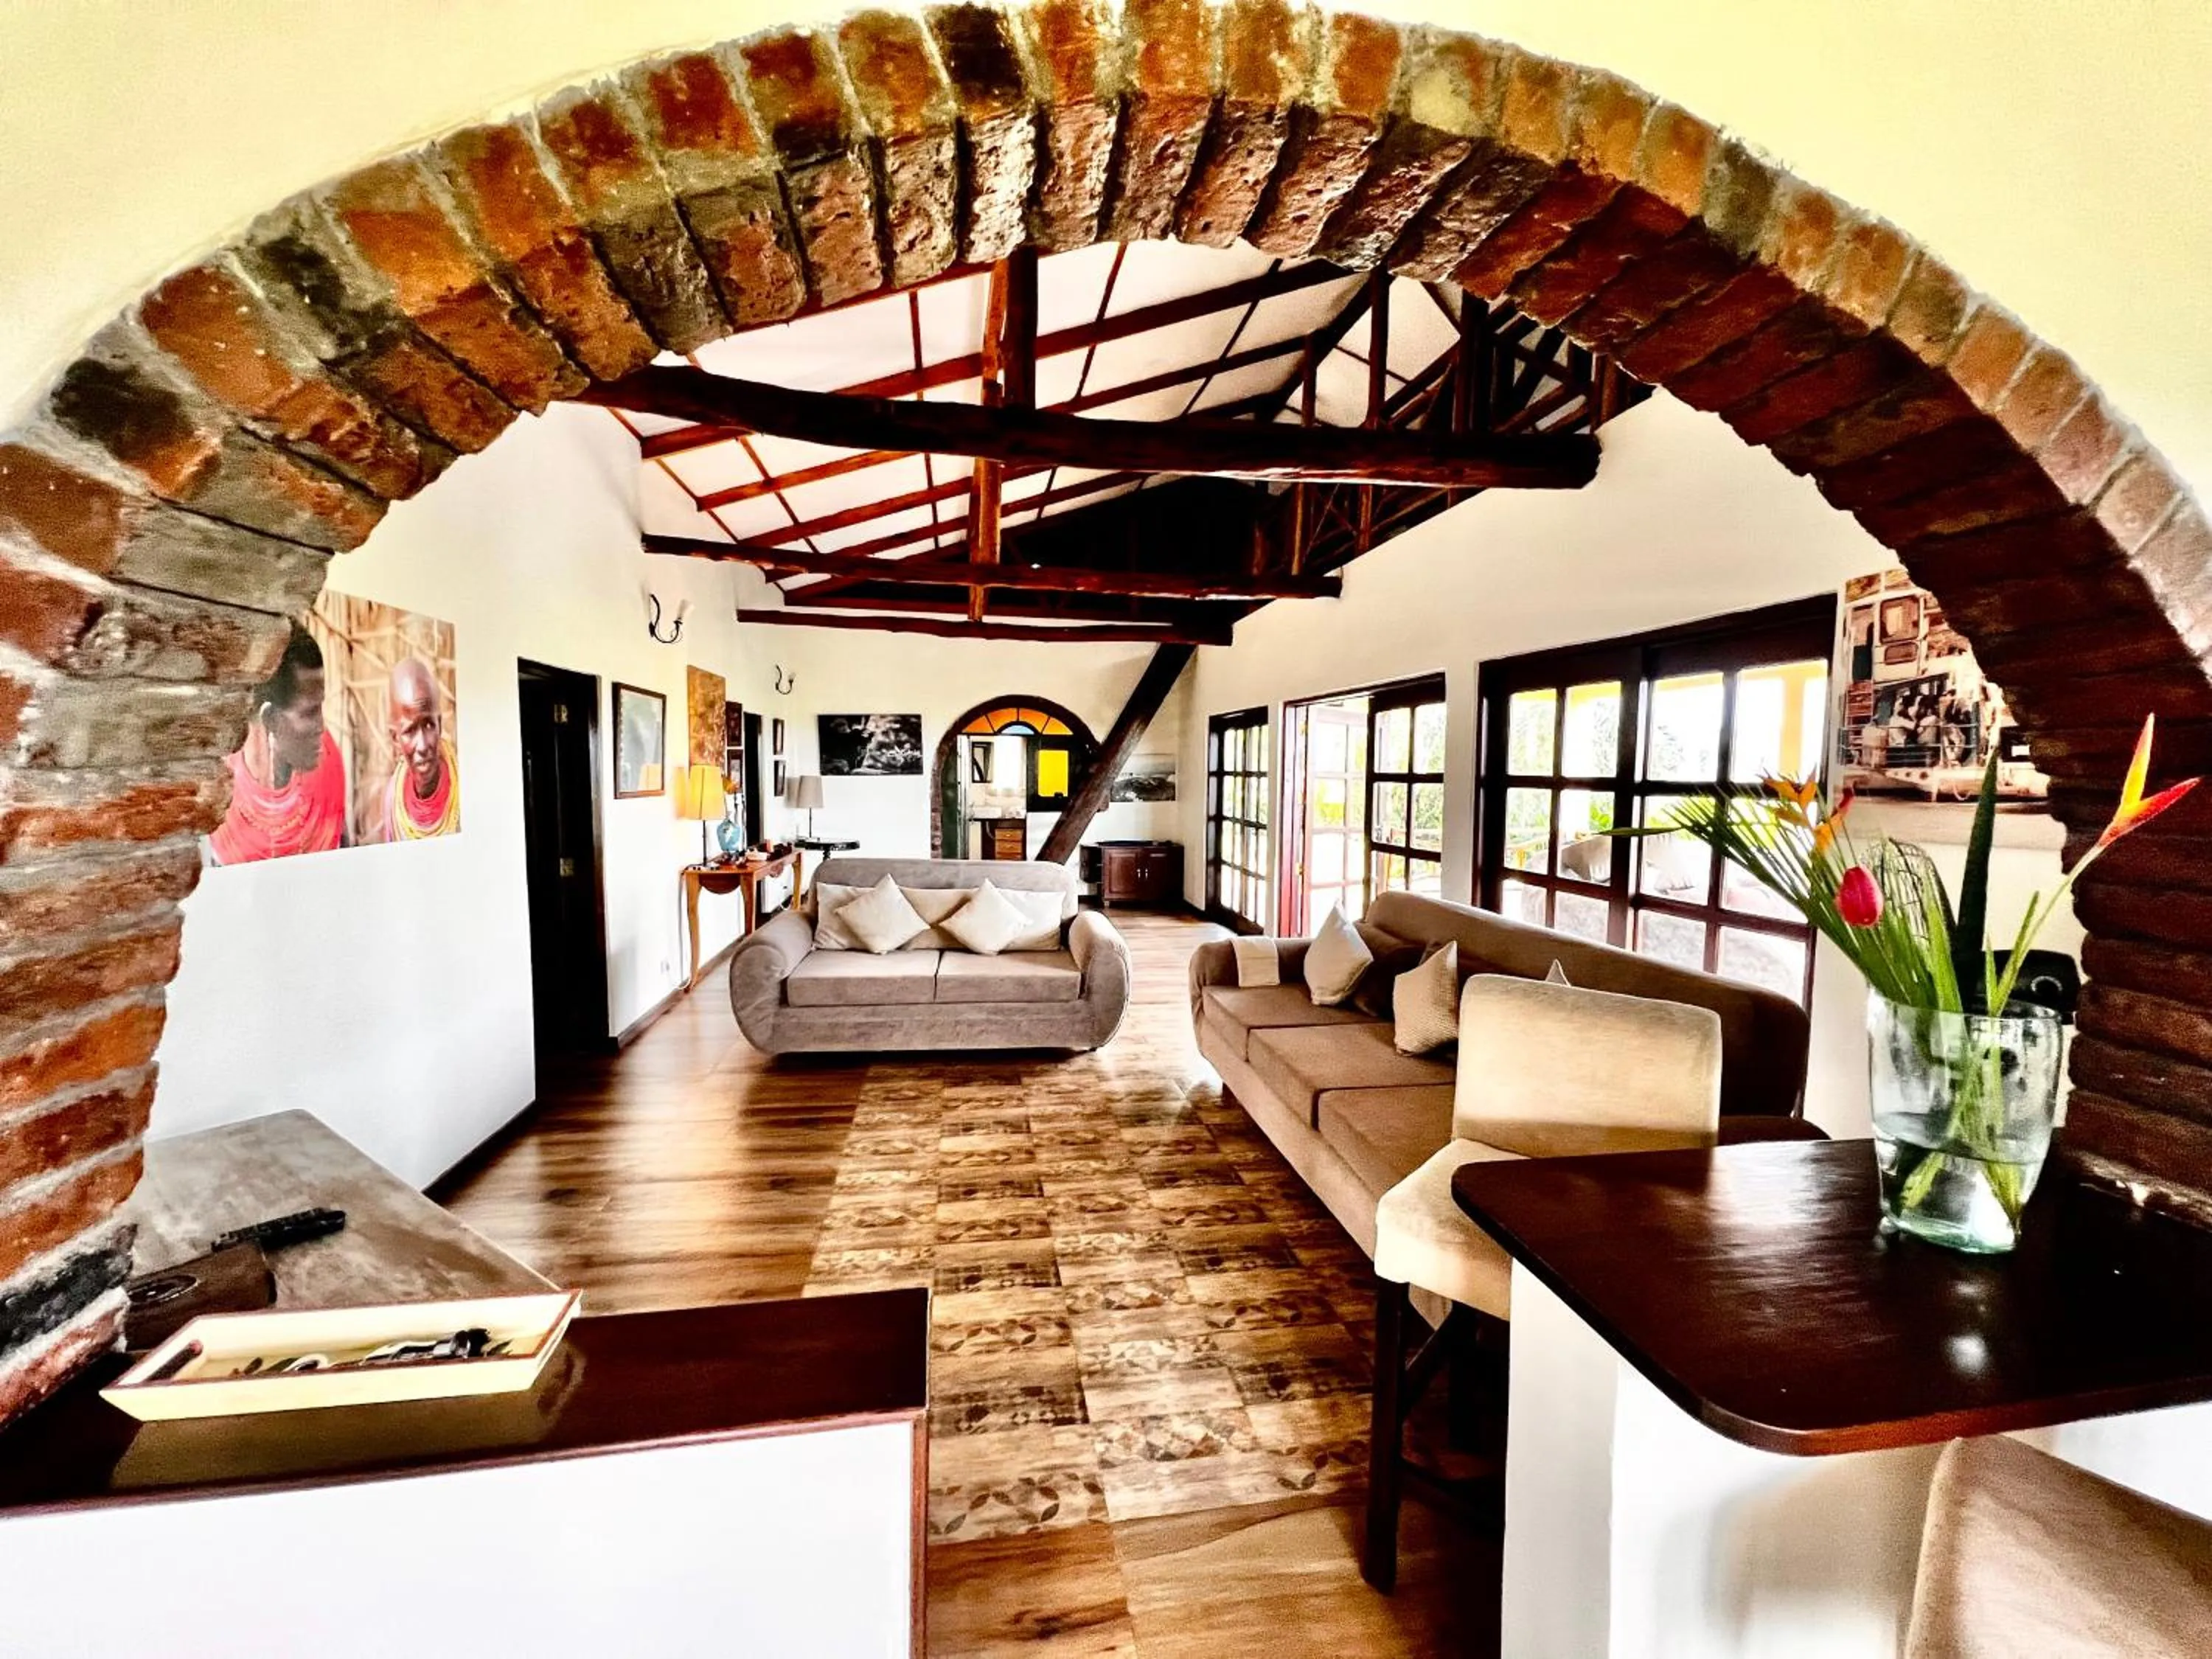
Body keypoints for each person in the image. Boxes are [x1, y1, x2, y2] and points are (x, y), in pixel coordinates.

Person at [207, 625, 347, 864]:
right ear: (271, 720)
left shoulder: (328, 768)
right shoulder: (220, 792)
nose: (322, 727)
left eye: (320, 707)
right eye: (310, 712)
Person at [374, 655, 459, 841]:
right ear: (395, 738)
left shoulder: (464, 788)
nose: (422, 745)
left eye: (429, 725)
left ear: (440, 724)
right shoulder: (392, 802)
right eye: (410, 730)